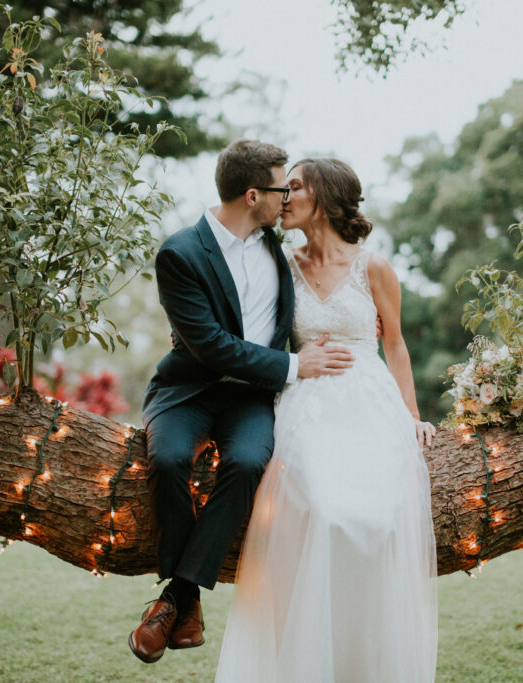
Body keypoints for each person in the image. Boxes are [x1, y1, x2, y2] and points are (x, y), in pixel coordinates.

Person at [129, 140, 355, 664]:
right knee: (166, 459)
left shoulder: (279, 249)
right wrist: (295, 366)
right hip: (188, 388)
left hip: (251, 396)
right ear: (253, 195)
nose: (288, 198)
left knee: (251, 461)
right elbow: (209, 345)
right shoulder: (179, 253)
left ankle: (175, 599)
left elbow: (328, 281)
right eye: (282, 188)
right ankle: (184, 602)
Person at [215, 157, 439, 682]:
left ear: (327, 196)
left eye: (294, 187)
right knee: (324, 511)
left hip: (371, 403)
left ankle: (362, 661)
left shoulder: (374, 266)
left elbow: (395, 343)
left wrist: (412, 414)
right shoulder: (280, 264)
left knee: (379, 522)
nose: (283, 196)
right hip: (306, 402)